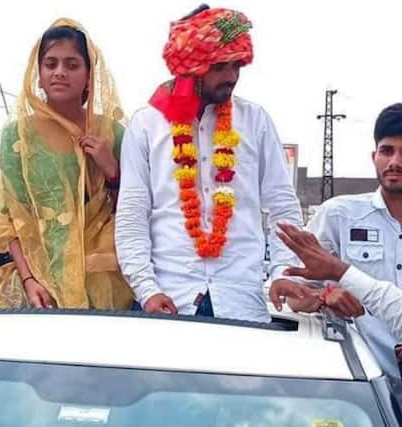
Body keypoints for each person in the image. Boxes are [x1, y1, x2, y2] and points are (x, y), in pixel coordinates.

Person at [115, 5, 309, 321]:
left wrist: (283, 272)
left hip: (240, 301)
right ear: (191, 67)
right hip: (168, 299)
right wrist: (147, 289)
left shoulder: (255, 121)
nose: (231, 77)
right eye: (219, 67)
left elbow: (282, 206)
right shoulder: (147, 124)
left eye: (237, 66)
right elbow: (132, 214)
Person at [0, 19, 133, 309]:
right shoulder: (18, 136)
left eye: (72, 65)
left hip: (104, 278)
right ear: (38, 74)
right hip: (40, 281)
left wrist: (111, 169)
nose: (60, 72)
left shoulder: (111, 133)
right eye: (50, 64)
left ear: (89, 76)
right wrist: (29, 279)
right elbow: (10, 218)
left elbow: (135, 212)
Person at [282, 103, 402, 378]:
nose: (395, 162)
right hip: (362, 383)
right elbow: (293, 293)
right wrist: (323, 298)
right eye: (386, 151)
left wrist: (342, 274)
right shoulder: (339, 215)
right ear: (374, 156)